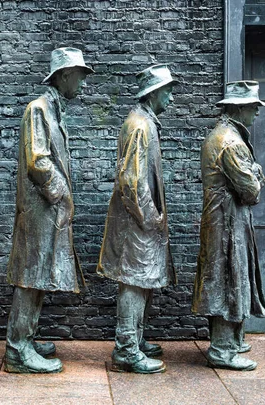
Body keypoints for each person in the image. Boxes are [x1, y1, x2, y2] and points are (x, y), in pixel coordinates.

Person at [5, 47, 93, 373]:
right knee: (31, 278)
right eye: (80, 77)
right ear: (64, 76)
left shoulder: (53, 111)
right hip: (39, 212)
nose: (82, 84)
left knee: (40, 277)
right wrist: (63, 195)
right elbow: (38, 161)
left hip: (48, 212)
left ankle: (25, 338)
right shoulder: (38, 110)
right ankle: (17, 349)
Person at [97, 64, 178, 374]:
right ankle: (126, 349)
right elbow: (131, 180)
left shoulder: (144, 122)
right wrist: (150, 218)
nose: (171, 98)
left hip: (140, 220)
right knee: (134, 281)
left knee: (141, 280)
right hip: (137, 222)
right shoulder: (140, 126)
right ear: (154, 93)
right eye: (168, 91)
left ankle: (136, 339)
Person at [192, 80, 265, 371]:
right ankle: (223, 350)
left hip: (225, 220)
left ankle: (230, 341)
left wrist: (253, 174)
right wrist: (258, 176)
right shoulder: (230, 142)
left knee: (226, 278)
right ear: (237, 109)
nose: (256, 113)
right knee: (228, 280)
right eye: (252, 107)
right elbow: (251, 191)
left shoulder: (223, 135)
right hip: (228, 223)